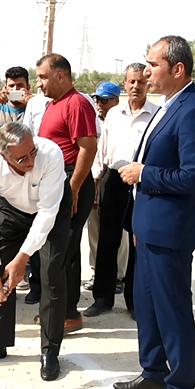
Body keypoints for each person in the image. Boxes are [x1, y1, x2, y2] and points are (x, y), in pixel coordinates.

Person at [114, 36, 195, 389]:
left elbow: (193, 178)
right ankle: (154, 370)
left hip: (171, 230)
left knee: (172, 309)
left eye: (153, 65)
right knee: (148, 304)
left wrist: (144, 173)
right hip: (148, 225)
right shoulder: (167, 106)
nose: (145, 72)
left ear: (177, 69)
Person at [0, 122, 70, 381]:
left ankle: (50, 351)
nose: (30, 160)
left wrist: (22, 258)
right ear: (3, 155)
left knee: (51, 275)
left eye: (32, 152)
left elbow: (48, 213)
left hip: (52, 211)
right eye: (22, 158)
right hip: (12, 211)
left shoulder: (50, 154)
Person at [86, 72, 158, 319]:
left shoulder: (157, 115)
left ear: (148, 84)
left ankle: (134, 301)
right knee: (107, 239)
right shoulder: (113, 114)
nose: (136, 86)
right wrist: (97, 181)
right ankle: (102, 298)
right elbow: (101, 148)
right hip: (113, 178)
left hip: (140, 181)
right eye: (131, 82)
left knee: (138, 242)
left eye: (140, 82)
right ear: (125, 85)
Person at [34, 54, 98, 334]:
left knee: (64, 252)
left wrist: (72, 189)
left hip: (72, 182)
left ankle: (68, 312)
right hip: (55, 181)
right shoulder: (52, 105)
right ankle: (58, 308)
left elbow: (88, 148)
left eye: (43, 77)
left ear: (60, 75)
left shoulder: (77, 103)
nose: (39, 84)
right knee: (56, 250)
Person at [84, 81, 126, 297]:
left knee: (120, 233)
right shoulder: (91, 120)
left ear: (116, 100)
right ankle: (96, 272)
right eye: (97, 99)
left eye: (104, 99)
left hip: (115, 178)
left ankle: (118, 275)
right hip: (94, 178)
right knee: (95, 229)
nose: (99, 103)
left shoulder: (122, 120)